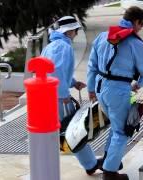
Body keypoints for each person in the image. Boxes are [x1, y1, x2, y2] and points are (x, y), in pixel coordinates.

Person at [87, 6, 143, 180]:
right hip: (118, 90)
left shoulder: (103, 36)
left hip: (100, 87)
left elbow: (92, 65)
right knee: (122, 131)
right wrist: (139, 84)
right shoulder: (134, 42)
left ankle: (110, 160)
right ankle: (110, 172)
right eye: (141, 24)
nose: (141, 27)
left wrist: (90, 88)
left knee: (115, 127)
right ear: (136, 22)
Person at [40, 16, 102, 176]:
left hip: (47, 95)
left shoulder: (51, 46)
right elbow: (58, 72)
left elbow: (51, 70)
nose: (76, 34)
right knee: (73, 131)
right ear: (70, 31)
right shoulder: (64, 47)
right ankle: (90, 163)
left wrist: (73, 83)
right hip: (58, 98)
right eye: (75, 30)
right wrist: (63, 94)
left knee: (63, 131)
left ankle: (89, 163)